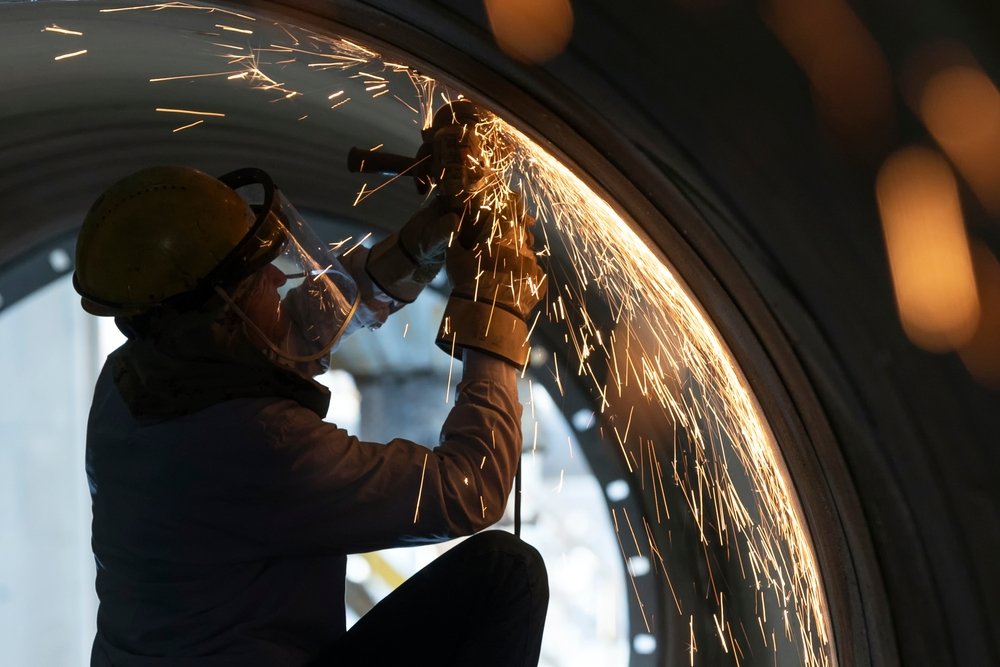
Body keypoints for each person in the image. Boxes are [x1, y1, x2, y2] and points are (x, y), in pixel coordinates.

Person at [72, 137, 549, 665]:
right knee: (509, 575)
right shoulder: (258, 444)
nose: (278, 277)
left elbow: (294, 330)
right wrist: (496, 310)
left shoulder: (132, 380)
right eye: (258, 277)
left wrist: (420, 244)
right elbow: (471, 489)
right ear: (222, 315)